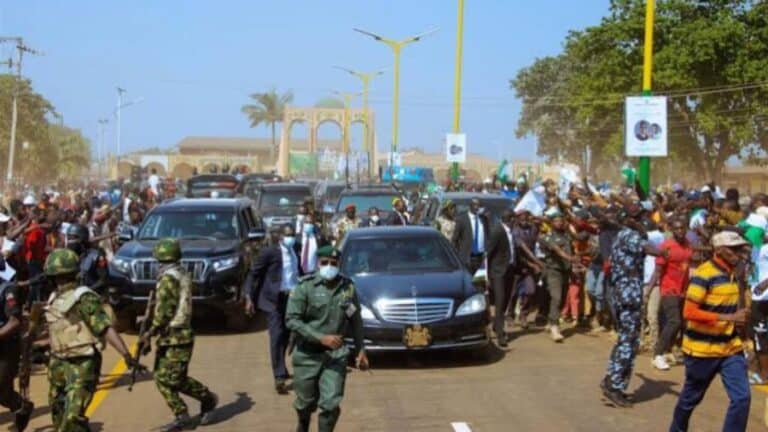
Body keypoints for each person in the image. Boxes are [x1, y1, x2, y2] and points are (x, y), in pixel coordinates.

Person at [43, 248, 136, 431]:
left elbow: (104, 327)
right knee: (59, 416)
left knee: (72, 417)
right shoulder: (53, 299)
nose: (59, 282)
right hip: (58, 363)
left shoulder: (83, 297)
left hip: (82, 363)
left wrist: (126, 354)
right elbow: (58, 330)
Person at [669, 232, 751, 432]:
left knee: (742, 398)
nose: (739, 253)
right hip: (702, 350)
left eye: (740, 249)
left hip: (730, 348)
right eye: (734, 249)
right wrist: (729, 318)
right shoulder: (705, 274)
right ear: (720, 250)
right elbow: (689, 312)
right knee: (690, 399)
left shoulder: (734, 272)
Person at [285, 245, 368, 432]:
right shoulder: (305, 287)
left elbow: (355, 320)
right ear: (317, 264)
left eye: (333, 263)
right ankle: (303, 423)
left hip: (335, 356)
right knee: (305, 403)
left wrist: (361, 349)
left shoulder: (347, 288)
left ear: (339, 264)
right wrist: (320, 337)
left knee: (331, 405)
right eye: (325, 263)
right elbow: (291, 320)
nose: (329, 266)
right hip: (307, 354)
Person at [144, 238, 218, 431]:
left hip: (177, 334)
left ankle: (206, 399)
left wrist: (150, 332)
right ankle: (181, 414)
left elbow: (165, 311)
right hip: (173, 334)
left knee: (172, 379)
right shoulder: (181, 272)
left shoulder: (169, 278)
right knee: (164, 377)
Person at [601, 204, 667, 407]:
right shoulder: (629, 235)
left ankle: (612, 380)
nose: (642, 220)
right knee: (629, 342)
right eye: (638, 217)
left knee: (625, 340)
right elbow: (649, 249)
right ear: (629, 219)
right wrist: (665, 253)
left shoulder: (627, 234)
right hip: (628, 294)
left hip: (626, 292)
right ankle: (615, 387)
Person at [244, 224, 302, 394]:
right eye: (288, 235)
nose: (291, 238)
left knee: (287, 334)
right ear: (280, 237)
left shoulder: (295, 249)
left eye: (293, 235)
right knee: (276, 335)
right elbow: (253, 274)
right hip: (272, 300)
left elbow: (298, 271)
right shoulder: (269, 253)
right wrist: (249, 296)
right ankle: (279, 376)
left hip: (291, 298)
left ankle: (281, 366)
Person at [648, 219, 693, 371]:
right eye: (677, 228)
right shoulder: (666, 246)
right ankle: (657, 355)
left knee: (682, 323)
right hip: (669, 289)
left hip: (683, 289)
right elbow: (658, 272)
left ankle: (668, 351)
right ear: (672, 230)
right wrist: (648, 291)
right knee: (674, 321)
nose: (680, 231)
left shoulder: (687, 243)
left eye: (683, 228)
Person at [0, 278, 33, 431]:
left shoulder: (7, 290)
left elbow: (14, 322)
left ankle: (21, 406)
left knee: (2, 391)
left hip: (7, 347)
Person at [487, 210, 516, 347]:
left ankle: (496, 325)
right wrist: (487, 274)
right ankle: (500, 333)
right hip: (497, 272)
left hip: (509, 270)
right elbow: (488, 253)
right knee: (500, 300)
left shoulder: (511, 232)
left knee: (506, 300)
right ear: (509, 219)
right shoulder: (497, 232)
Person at [452, 198, 489, 276]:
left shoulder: (484, 219)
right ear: (470, 206)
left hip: (480, 259)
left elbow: (487, 236)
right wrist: (458, 255)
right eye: (475, 205)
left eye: (479, 205)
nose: (477, 207)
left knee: (479, 283)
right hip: (467, 258)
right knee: (468, 283)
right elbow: (455, 239)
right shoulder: (462, 219)